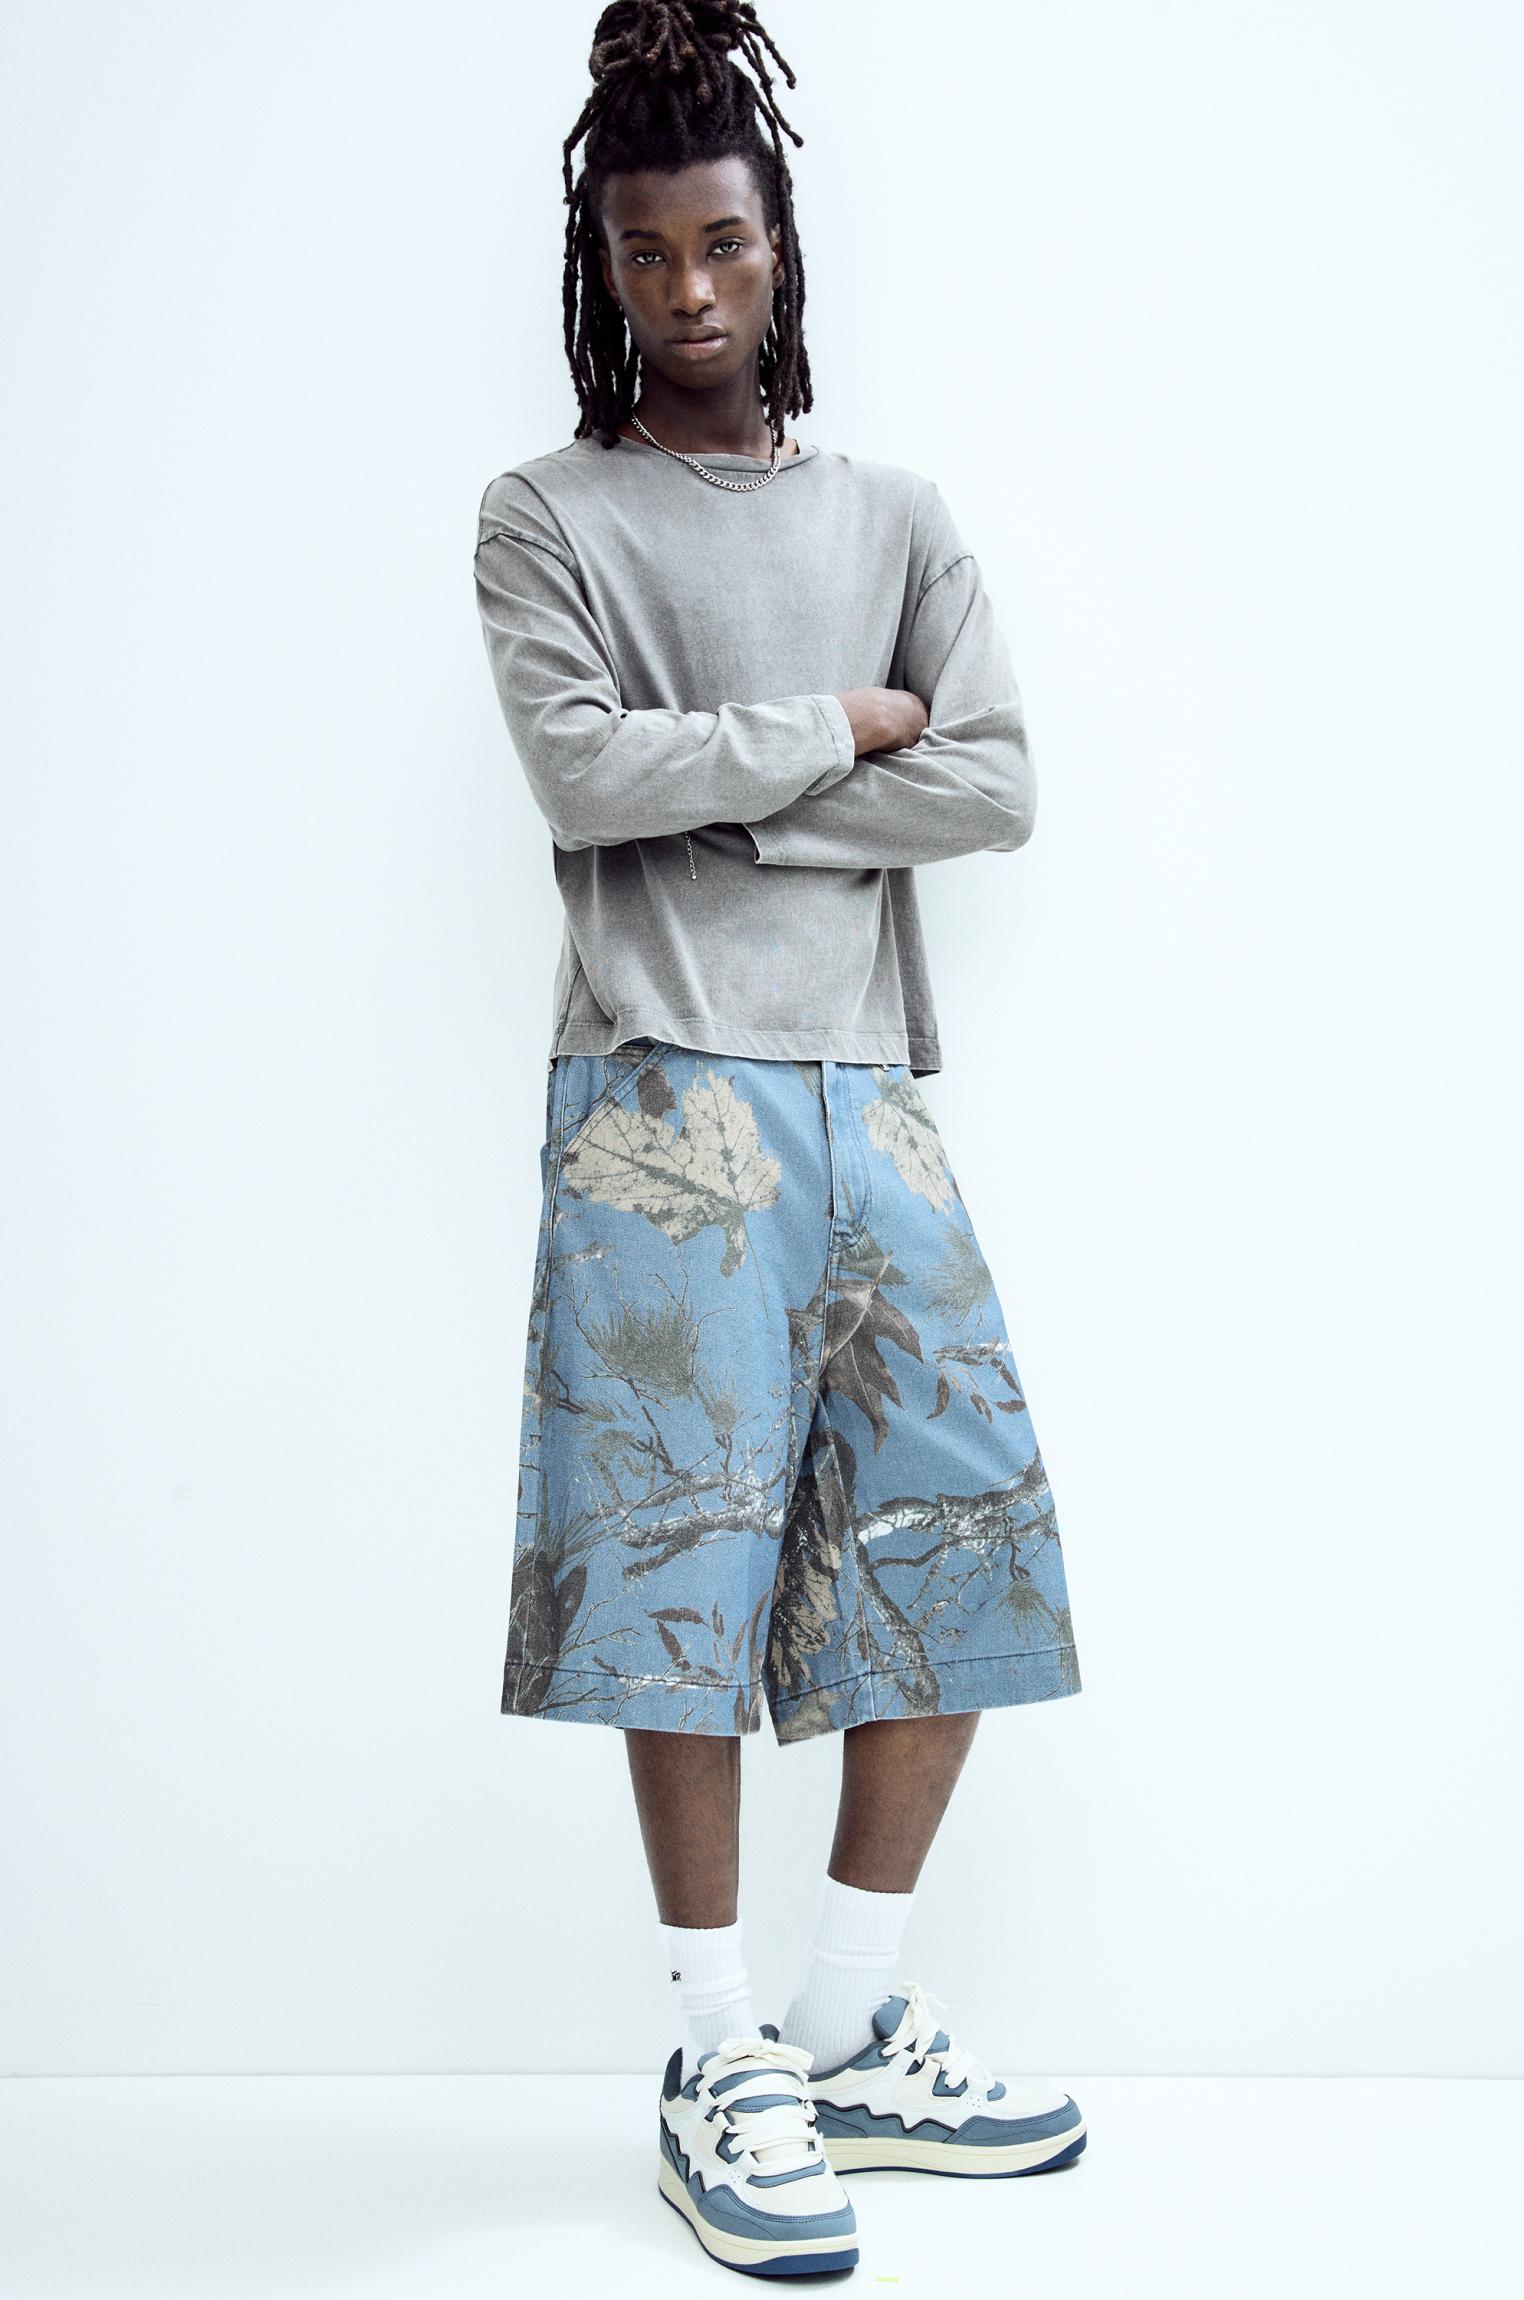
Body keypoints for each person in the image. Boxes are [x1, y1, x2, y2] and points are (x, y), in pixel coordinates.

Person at [472, 1, 1086, 2276]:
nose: (690, 290)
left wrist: (731, 796)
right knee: (677, 1564)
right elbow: (581, 773)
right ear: (607, 264)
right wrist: (835, 724)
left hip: (868, 1095)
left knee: (960, 1529)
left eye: (721, 243)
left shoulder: (895, 515)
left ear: (780, 244)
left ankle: (842, 2023)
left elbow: (997, 783)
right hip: (661, 1091)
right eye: (645, 253)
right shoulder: (547, 516)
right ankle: (712, 2047)